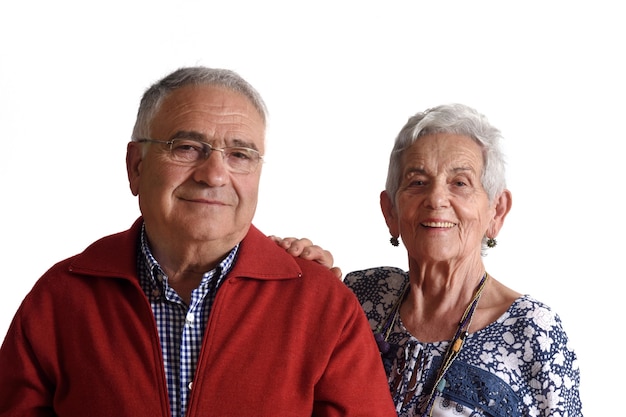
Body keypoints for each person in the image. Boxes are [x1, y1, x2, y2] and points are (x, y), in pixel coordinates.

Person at [0, 66, 397, 417]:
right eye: (187, 148)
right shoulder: (60, 298)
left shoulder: (323, 305)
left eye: (240, 154)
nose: (214, 175)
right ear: (136, 166)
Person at [277, 103, 582, 417]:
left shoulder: (532, 332)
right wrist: (300, 272)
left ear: (496, 210)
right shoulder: (364, 294)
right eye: (417, 182)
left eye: (460, 183)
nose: (436, 199)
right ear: (391, 211)